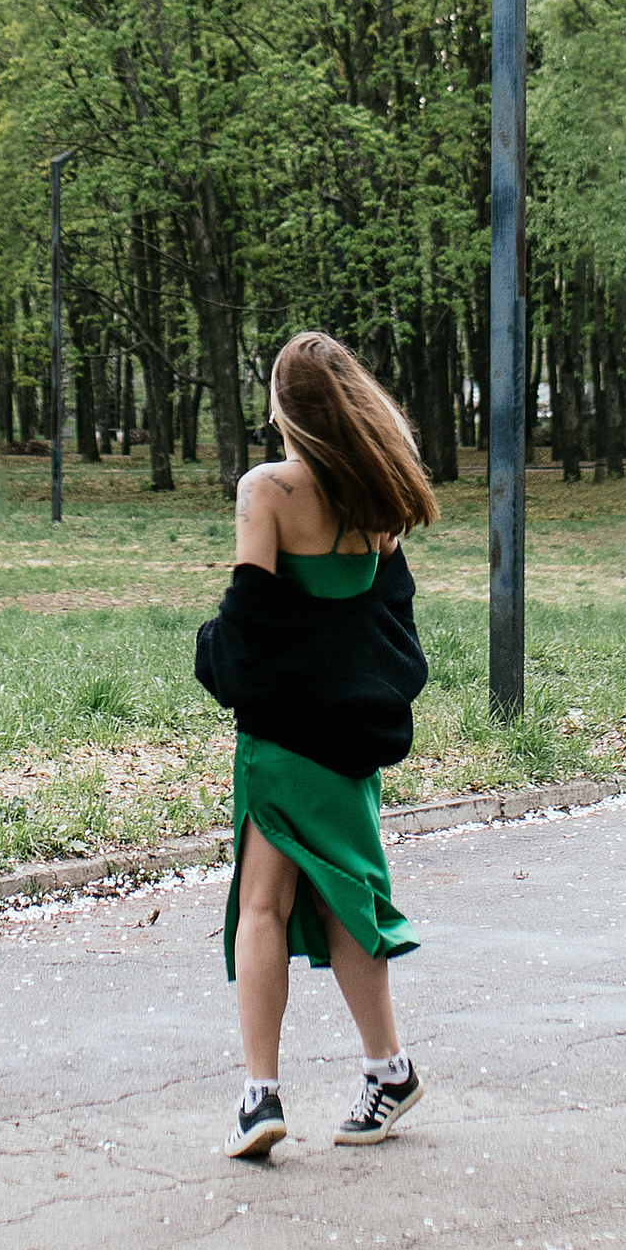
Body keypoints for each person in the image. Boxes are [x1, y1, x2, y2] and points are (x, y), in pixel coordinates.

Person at [193, 329, 437, 1160]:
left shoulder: (266, 490)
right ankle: (388, 1068)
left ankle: (260, 1094)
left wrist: (208, 654)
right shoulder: (378, 500)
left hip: (284, 736)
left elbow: (252, 624)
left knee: (263, 904)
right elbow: (388, 628)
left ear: (285, 408)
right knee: (345, 903)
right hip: (351, 738)